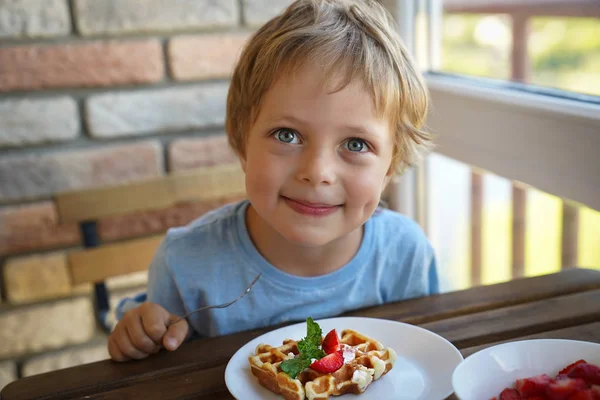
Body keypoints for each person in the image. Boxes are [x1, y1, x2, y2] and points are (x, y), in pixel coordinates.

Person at [107, 0, 438, 362]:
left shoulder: (405, 254)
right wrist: (142, 334)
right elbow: (159, 367)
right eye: (287, 135)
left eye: (356, 144)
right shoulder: (186, 265)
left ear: (390, 164)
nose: (317, 171)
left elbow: (424, 359)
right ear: (241, 139)